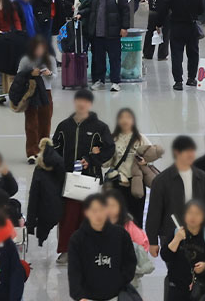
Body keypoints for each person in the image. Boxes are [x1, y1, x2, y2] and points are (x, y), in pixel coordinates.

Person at [51, 90, 114, 262]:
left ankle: (89, 250)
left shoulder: (100, 128)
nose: (82, 104)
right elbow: (55, 149)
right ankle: (66, 250)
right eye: (79, 101)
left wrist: (92, 159)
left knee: (89, 215)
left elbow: (109, 148)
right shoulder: (64, 126)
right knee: (68, 216)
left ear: (90, 104)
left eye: (85, 101)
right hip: (69, 179)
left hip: (90, 179)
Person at [146, 135, 205, 253]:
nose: (190, 155)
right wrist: (152, 241)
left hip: (199, 234)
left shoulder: (203, 178)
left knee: (199, 268)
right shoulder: (161, 181)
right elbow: (155, 212)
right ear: (177, 153)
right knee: (176, 269)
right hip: (170, 235)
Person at [69, 194, 137, 301]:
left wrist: (119, 281)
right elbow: (74, 271)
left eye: (101, 210)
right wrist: (79, 296)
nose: (98, 215)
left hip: (116, 295)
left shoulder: (120, 234)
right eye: (94, 211)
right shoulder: (77, 239)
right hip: (88, 297)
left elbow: (130, 262)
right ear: (86, 213)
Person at [108, 109, 163, 226]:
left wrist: (145, 162)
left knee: (136, 218)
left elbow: (152, 154)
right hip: (118, 184)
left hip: (136, 184)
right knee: (116, 218)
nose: (125, 120)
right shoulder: (112, 139)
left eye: (128, 117)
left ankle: (136, 243)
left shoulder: (140, 138)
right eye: (122, 117)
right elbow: (106, 163)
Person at [82, 0, 131, 91]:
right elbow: (91, 9)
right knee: (98, 58)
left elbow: (125, 11)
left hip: (112, 33)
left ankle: (116, 81)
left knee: (114, 58)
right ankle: (99, 80)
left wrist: (124, 27)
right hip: (97, 33)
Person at [163, 201, 205, 301]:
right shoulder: (176, 232)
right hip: (176, 287)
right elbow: (165, 256)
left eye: (197, 213)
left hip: (201, 288)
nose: (193, 217)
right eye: (190, 213)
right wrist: (176, 239)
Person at [14, 36, 56, 163]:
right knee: (31, 123)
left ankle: (44, 150)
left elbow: (55, 77)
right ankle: (32, 152)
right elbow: (19, 75)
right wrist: (30, 74)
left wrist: (49, 74)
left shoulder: (50, 59)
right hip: (31, 92)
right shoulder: (26, 60)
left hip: (46, 92)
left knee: (45, 122)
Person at [163, 0, 205, 90]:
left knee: (176, 55)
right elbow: (201, 11)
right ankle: (191, 78)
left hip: (176, 28)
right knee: (193, 54)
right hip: (191, 28)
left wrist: (159, 24)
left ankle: (178, 81)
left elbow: (164, 10)